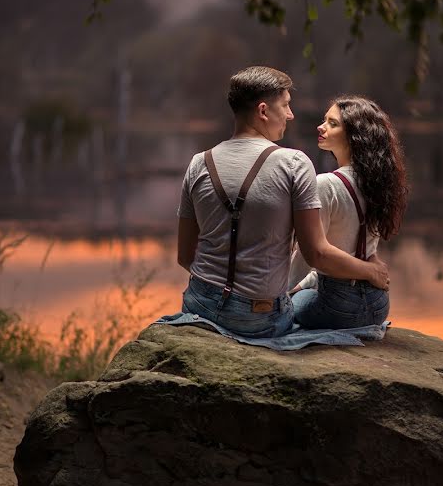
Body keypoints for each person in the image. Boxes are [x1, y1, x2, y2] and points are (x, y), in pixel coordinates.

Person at [162, 66, 389, 349]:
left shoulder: (198, 163)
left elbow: (185, 256)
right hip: (261, 318)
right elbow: (316, 253)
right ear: (263, 111)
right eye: (285, 105)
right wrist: (370, 270)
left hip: (200, 305)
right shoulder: (294, 163)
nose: (291, 115)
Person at [289, 95, 407, 329]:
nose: (321, 127)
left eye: (333, 124)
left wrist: (280, 292)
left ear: (355, 136)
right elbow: (356, 252)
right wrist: (305, 284)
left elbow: (311, 254)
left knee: (291, 303)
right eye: (324, 120)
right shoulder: (378, 182)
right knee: (304, 290)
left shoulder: (325, 184)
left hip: (336, 305)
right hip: (378, 303)